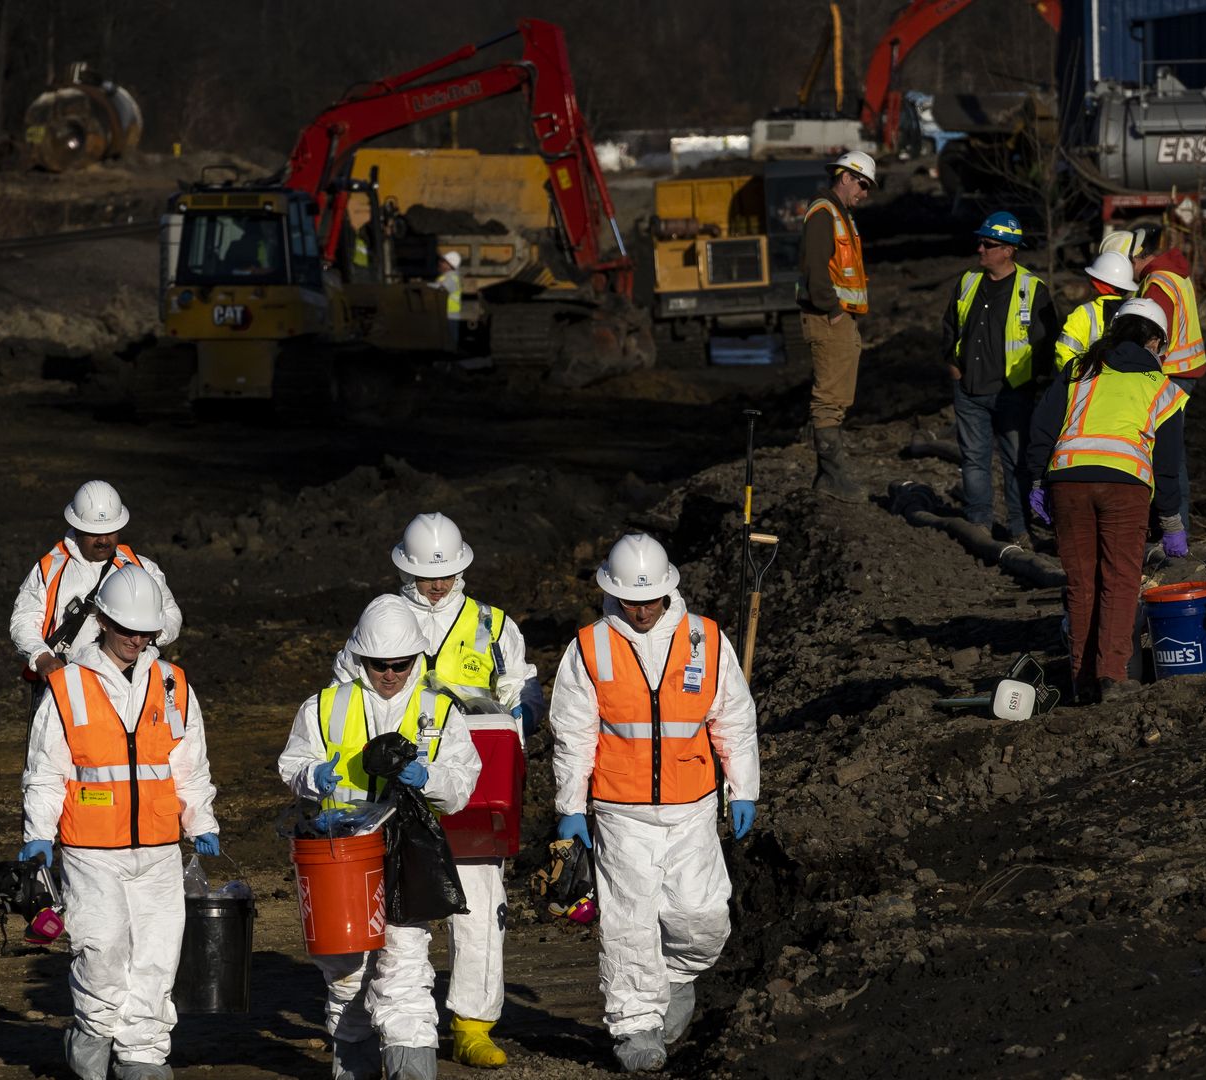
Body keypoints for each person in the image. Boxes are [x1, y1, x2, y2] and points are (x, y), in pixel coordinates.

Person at [328, 513, 542, 1070]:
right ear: (405, 569)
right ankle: (371, 1019)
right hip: (397, 789)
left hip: (475, 782)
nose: (437, 584)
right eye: (427, 575)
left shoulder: (492, 625)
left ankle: (473, 1021)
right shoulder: (382, 621)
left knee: (479, 903)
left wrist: (520, 711)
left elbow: (520, 686)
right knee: (390, 913)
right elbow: (343, 694)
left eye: (445, 574)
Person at [548, 533, 760, 1073]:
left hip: (692, 806)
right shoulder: (590, 647)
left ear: (667, 590)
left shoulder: (705, 640)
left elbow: (733, 720)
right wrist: (571, 806)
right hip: (621, 810)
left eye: (648, 600)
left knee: (703, 914)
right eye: (629, 601)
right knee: (629, 921)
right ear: (612, 594)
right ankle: (635, 1023)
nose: (639, 611)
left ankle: (677, 976)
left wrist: (744, 789)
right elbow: (573, 733)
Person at [19, 566, 219, 1080]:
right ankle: (92, 1030)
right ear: (102, 621)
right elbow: (44, 770)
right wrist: (38, 835)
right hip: (90, 848)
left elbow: (188, 762)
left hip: (158, 848)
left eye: (144, 630)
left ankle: (143, 1057)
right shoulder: (66, 686)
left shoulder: (173, 683)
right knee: (102, 950)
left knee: (157, 958)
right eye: (126, 628)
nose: (136, 639)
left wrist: (202, 820)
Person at [279, 595, 481, 1080]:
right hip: (342, 854)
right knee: (346, 970)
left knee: (404, 966)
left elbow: (462, 782)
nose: (389, 674)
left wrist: (425, 778)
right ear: (359, 658)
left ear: (416, 659)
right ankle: (354, 1060)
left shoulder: (439, 710)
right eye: (378, 665)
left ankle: (411, 1066)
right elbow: (291, 763)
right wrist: (313, 777)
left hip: (405, 853)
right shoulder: (324, 707)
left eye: (400, 664)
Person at [1025, 299, 1187, 703]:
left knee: (1081, 584)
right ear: (1154, 341)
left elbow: (1042, 427)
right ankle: (1113, 677)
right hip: (1124, 487)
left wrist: (1035, 479)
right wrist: (1170, 521)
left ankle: (1082, 682)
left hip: (1067, 480)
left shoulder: (1079, 371)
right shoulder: (1163, 389)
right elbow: (1167, 466)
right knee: (1120, 580)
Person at [944, 211, 1059, 541]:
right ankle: (979, 523)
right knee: (974, 461)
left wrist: (1031, 380)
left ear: (1008, 250)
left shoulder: (1032, 289)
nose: (980, 249)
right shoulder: (968, 282)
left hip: (1012, 392)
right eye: (980, 242)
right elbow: (949, 327)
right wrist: (953, 365)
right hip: (969, 389)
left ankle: (1020, 528)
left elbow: (1046, 341)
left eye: (988, 244)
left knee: (1017, 464)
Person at [11, 481, 183, 686]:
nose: (103, 540)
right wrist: (42, 657)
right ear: (76, 527)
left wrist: (144, 640)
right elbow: (24, 620)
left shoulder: (142, 568)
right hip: (69, 682)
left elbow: (171, 615)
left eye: (110, 531)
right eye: (94, 533)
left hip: (130, 684)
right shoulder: (49, 570)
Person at [797, 149, 875, 502]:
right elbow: (816, 269)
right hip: (830, 317)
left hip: (838, 317)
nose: (864, 193)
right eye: (862, 184)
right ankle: (833, 477)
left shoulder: (839, 214)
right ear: (846, 177)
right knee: (829, 399)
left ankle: (829, 476)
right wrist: (832, 310)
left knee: (838, 397)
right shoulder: (824, 213)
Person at [1118, 225, 1205, 539]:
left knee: (1167, 455)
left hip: (1170, 374)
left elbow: (1153, 339)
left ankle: (1172, 529)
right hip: (1184, 371)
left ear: (1135, 258)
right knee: (1171, 452)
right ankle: (1172, 528)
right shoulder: (1171, 274)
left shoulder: (1156, 283)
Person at [1053, 252, 1136, 373]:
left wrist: (1079, 382)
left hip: (1087, 386)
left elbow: (1064, 353)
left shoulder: (1085, 313)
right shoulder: (1135, 312)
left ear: (1096, 283)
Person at [437, 251, 465, 351]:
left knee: (451, 334)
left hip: (450, 312)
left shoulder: (452, 277)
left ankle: (451, 353)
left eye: (444, 262)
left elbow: (440, 288)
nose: (440, 263)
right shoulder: (447, 276)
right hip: (446, 312)